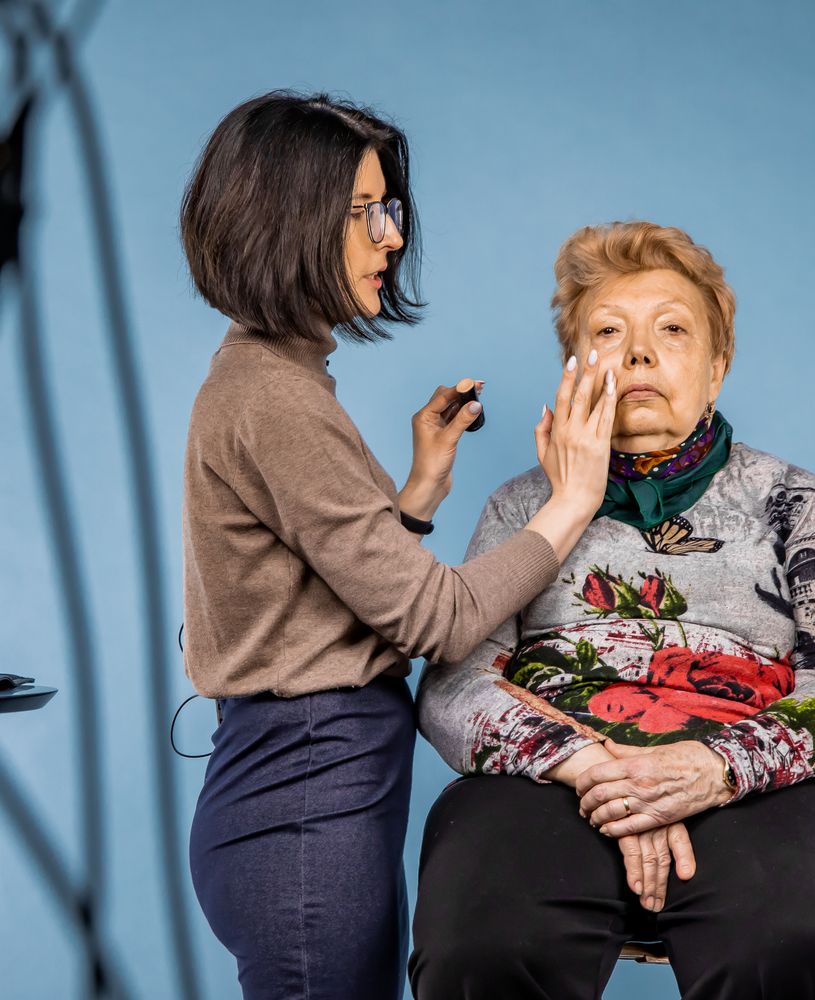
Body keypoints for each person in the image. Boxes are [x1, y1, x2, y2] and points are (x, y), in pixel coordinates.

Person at [179, 91, 617, 1000]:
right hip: (302, 797)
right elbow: (432, 618)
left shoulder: (270, 379)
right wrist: (570, 504)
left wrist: (416, 492)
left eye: (392, 210)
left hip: (304, 785)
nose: (391, 238)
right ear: (287, 220)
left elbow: (318, 593)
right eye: (366, 213)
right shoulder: (276, 401)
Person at [411, 221, 815, 1000]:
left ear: (717, 370)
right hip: (556, 781)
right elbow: (454, 685)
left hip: (755, 783)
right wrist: (596, 766)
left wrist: (710, 768)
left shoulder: (791, 499)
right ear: (575, 367)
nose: (637, 353)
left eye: (671, 329)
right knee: (485, 941)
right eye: (608, 331)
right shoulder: (520, 506)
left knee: (786, 943)